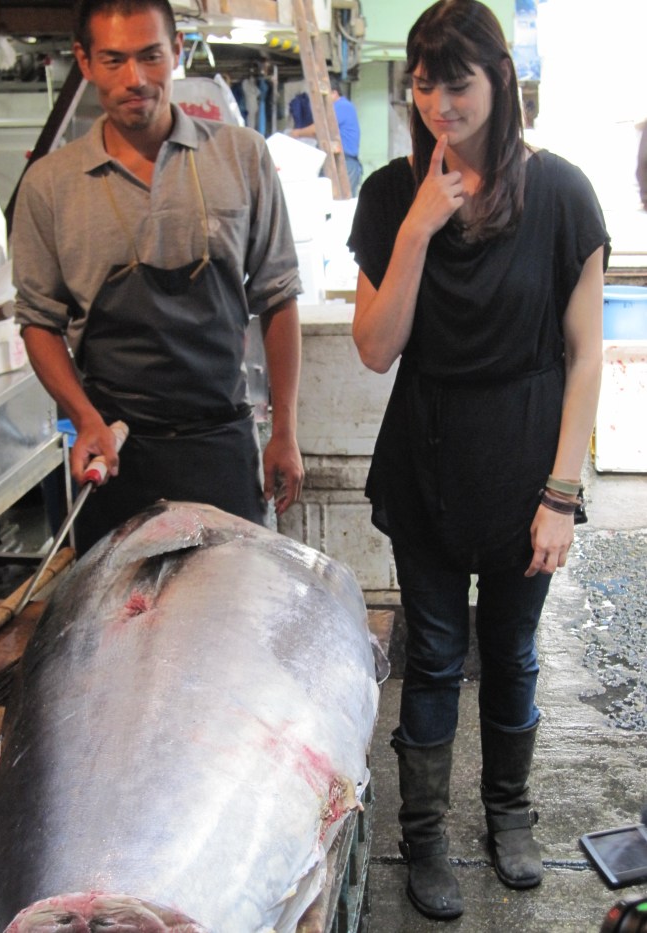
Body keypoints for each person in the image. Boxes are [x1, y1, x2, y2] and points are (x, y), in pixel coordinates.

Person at [347, 0, 609, 922]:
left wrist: (563, 496)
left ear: (500, 81)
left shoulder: (565, 195)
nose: (439, 104)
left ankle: (510, 814)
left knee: (512, 652)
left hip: (524, 467)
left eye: (457, 83)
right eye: (424, 83)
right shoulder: (389, 195)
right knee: (434, 658)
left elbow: (585, 357)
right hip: (423, 466)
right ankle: (424, 837)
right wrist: (417, 227)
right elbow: (376, 348)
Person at [12, 0, 304, 554]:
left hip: (222, 446)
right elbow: (38, 322)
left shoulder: (241, 157)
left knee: (230, 619)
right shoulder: (50, 186)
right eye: (114, 60)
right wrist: (85, 418)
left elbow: (278, 297)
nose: (136, 79)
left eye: (150, 56)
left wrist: (285, 432)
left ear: (177, 51)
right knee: (121, 629)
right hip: (115, 452)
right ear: (85, 60)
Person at [289, 75, 363, 196]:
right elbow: (322, 134)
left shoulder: (341, 106)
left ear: (334, 93)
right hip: (339, 162)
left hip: (345, 163)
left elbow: (319, 129)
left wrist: (297, 133)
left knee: (341, 205)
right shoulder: (342, 107)